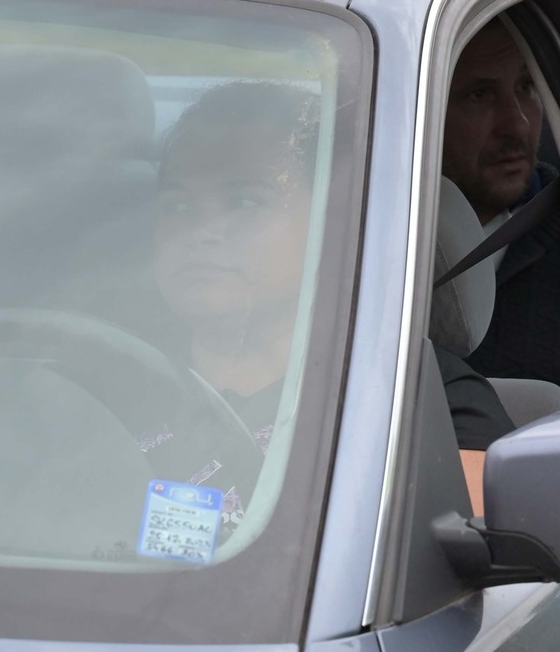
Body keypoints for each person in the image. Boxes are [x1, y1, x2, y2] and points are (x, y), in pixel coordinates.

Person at [151, 80, 513, 517]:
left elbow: (475, 570)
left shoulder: (422, 406)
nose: (199, 232)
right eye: (177, 207)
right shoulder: (92, 381)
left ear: (335, 224)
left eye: (245, 201)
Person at [442, 19, 560, 407]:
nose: (517, 124)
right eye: (479, 95)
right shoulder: (354, 239)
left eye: (526, 87)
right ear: (424, 114)